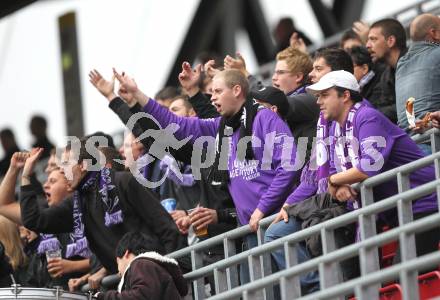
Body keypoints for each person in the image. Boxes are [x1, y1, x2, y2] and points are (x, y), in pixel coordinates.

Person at [307, 70, 439, 256]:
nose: (318, 102)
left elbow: (368, 167)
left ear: (345, 95)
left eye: (325, 95)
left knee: (403, 274)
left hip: (425, 201)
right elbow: (339, 170)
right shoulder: (338, 128)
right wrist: (337, 184)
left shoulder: (367, 117)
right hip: (399, 209)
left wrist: (333, 180)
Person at [19, 140, 189, 281]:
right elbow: (34, 220)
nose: (62, 169)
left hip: (157, 275)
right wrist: (26, 175)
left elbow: (165, 227)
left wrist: (175, 272)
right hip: (126, 284)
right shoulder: (77, 203)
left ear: (84, 165)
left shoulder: (124, 182)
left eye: (66, 164)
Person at [0, 150, 91, 289]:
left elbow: (110, 257)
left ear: (70, 185)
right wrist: (14, 169)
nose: (45, 185)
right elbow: (3, 205)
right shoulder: (45, 216)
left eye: (53, 181)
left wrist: (73, 266)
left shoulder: (88, 211)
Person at [94, 231, 187, 299]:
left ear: (126, 253)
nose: (118, 272)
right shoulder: (150, 266)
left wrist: (103, 297)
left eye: (118, 263)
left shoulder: (141, 264)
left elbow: (142, 296)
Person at [396, 13, 440, 154]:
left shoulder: (401, 64)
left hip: (412, 147)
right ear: (434, 33)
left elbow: (410, 112)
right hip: (434, 141)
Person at [366, 18, 407, 124]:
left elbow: (414, 103)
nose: (367, 45)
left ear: (391, 41)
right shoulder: (385, 76)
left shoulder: (416, 62)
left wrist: (373, 114)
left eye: (373, 39)